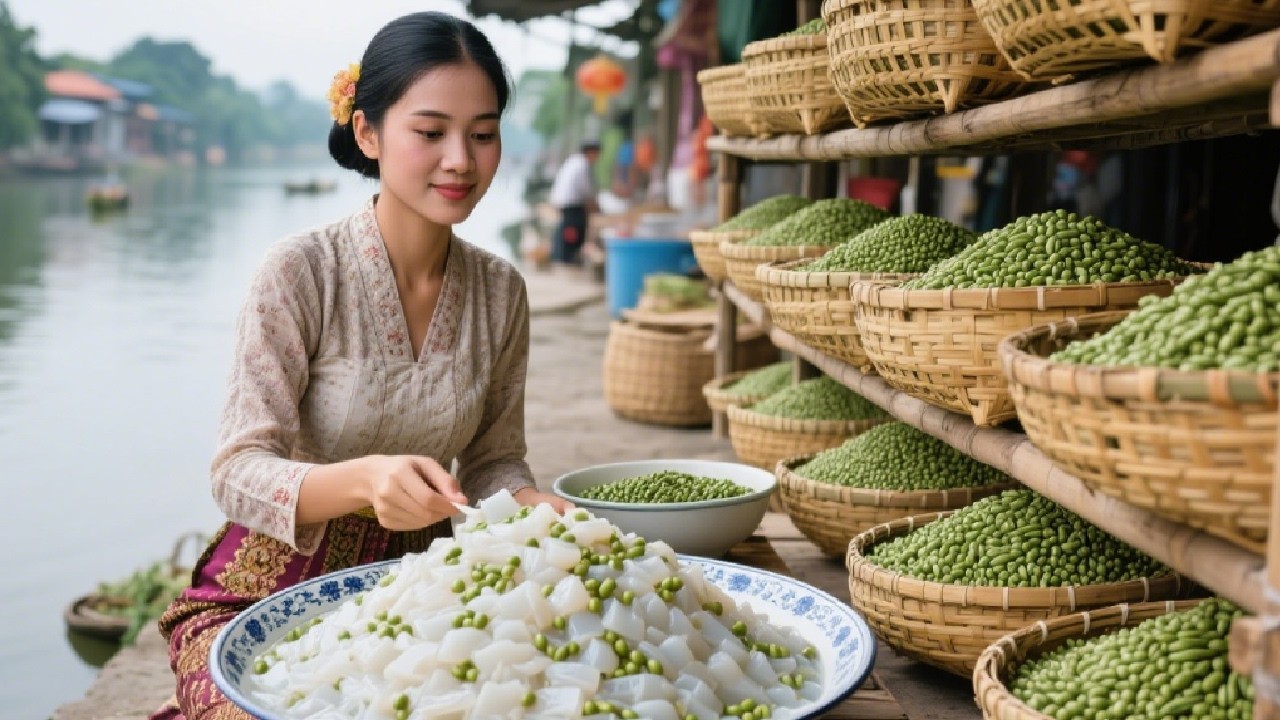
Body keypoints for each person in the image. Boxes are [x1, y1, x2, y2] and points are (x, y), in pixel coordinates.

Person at [149, 12, 570, 719]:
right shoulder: (300, 270)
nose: (461, 160)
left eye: (483, 132)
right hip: (266, 594)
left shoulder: (503, 292)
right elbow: (237, 471)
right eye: (430, 132)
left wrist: (538, 509)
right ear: (368, 132)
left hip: (426, 595)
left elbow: (495, 462)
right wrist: (364, 480)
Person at [548, 140, 601, 266]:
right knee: (573, 231)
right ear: (591, 152)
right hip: (571, 203)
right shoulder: (582, 164)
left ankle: (563, 256)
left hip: (565, 202)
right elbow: (587, 191)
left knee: (568, 229)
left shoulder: (574, 161)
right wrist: (597, 208)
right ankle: (569, 258)